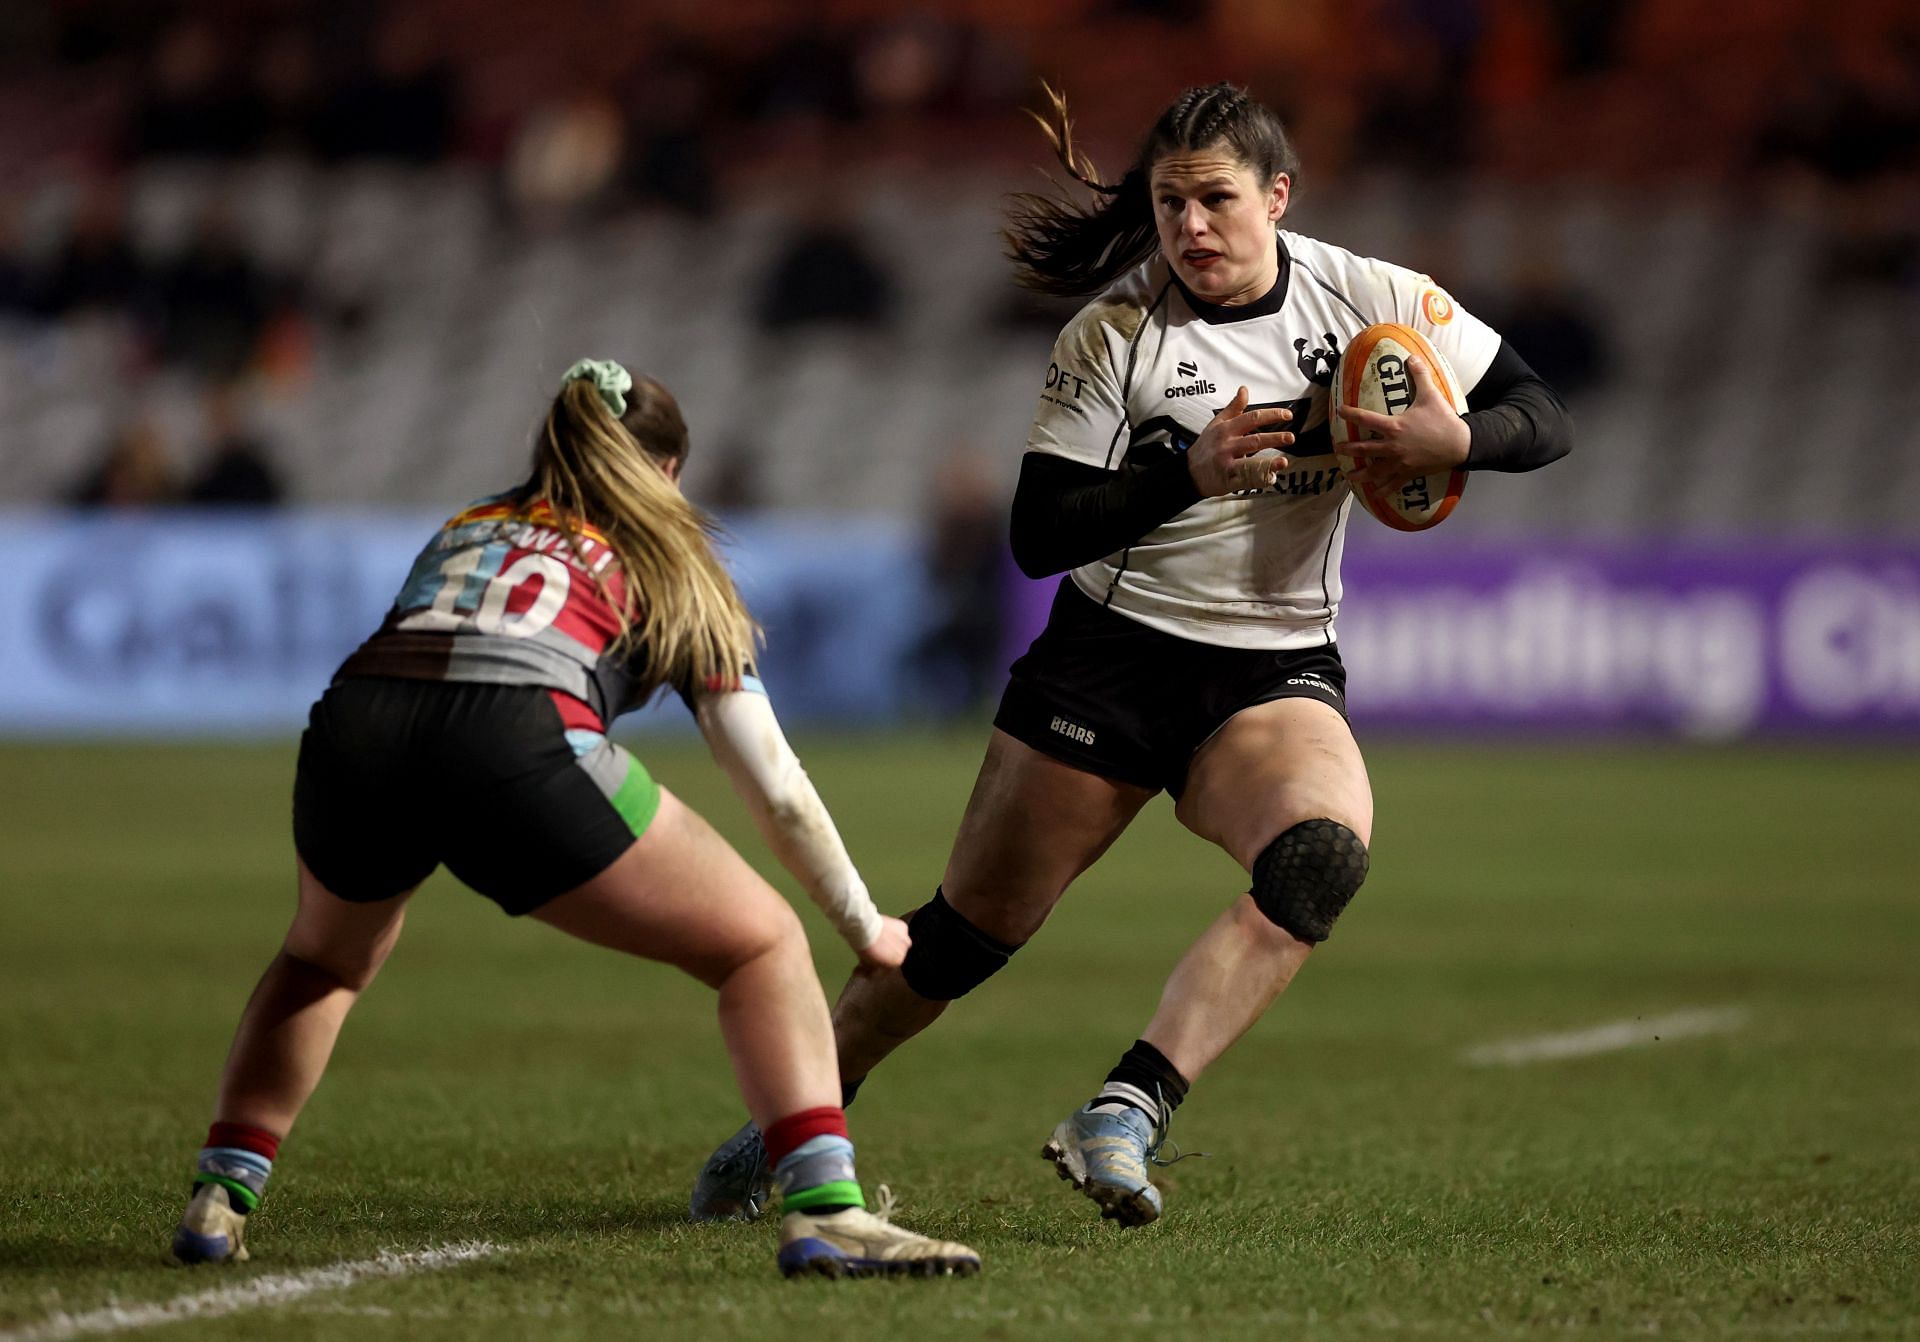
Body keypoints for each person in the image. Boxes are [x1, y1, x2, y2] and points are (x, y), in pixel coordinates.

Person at [689, 81, 1572, 1227]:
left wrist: (1460, 436)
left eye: (1215, 200)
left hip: (1269, 668)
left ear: (1279, 197)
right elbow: (1037, 534)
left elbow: (1542, 414)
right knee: (958, 943)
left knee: (1319, 860)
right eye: (1171, 204)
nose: (1192, 227)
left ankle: (1128, 1107)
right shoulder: (1115, 333)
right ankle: (787, 1124)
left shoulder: (1373, 299)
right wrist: (1186, 474)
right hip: (1108, 660)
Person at [170, 360, 981, 1280]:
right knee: (764, 946)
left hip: (355, 726)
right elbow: (775, 784)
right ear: (669, 473)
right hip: (514, 737)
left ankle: (220, 1195)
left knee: (321, 960)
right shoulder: (676, 560)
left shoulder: (470, 523)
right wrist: (862, 922)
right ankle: (828, 1209)